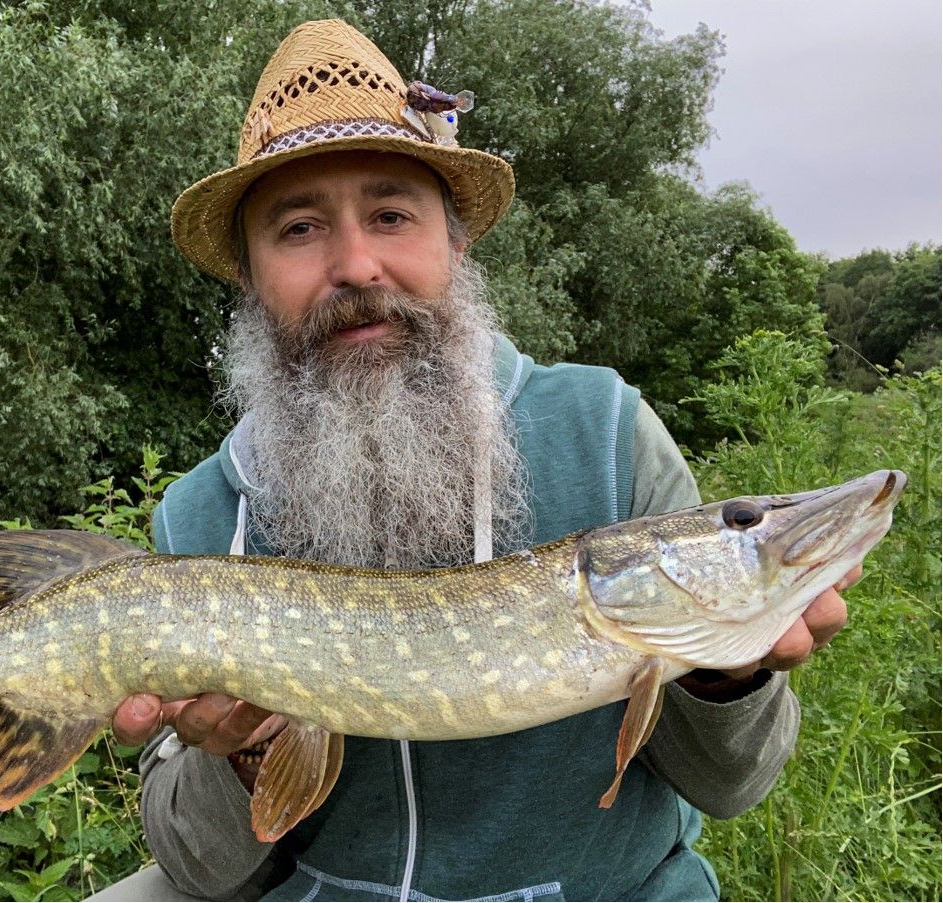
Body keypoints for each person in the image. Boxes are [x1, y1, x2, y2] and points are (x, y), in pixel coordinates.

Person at [88, 19, 854, 902]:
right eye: (298, 228)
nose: (356, 264)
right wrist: (243, 756)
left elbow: (730, 784)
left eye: (391, 216)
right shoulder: (200, 517)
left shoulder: (605, 433)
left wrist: (725, 670)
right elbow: (197, 865)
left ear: (455, 244)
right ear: (251, 279)